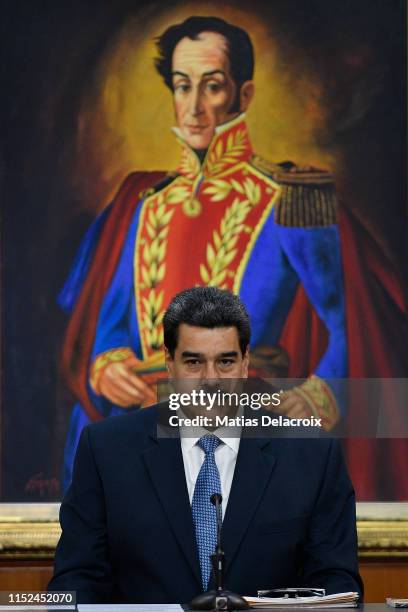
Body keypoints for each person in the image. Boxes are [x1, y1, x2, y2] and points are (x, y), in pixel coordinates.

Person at [59, 15, 349, 490]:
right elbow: (109, 326)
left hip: (240, 431)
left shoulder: (289, 198)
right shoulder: (144, 204)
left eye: (211, 87)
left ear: (244, 95)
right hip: (139, 431)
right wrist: (107, 365)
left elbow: (347, 327)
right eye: (181, 86)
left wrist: (320, 395)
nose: (192, 107)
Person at [49, 287, 363, 603]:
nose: (210, 379)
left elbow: (336, 586)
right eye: (194, 363)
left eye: (225, 361)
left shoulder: (312, 454)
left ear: (245, 363)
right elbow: (77, 580)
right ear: (169, 366)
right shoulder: (107, 451)